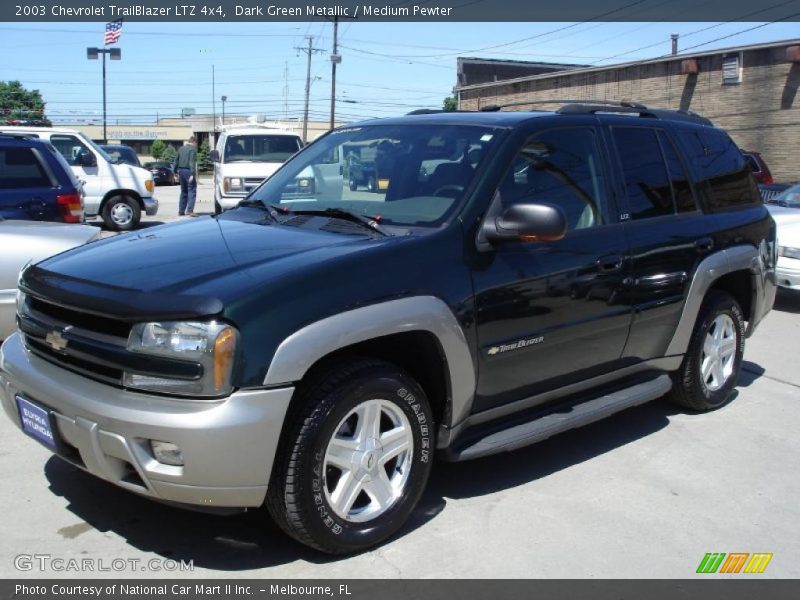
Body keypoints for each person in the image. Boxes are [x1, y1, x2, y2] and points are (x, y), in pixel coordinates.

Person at [173, 136, 198, 216]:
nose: (196, 145)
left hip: (180, 171)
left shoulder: (181, 149)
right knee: (192, 190)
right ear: (194, 142)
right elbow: (191, 162)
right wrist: (192, 174)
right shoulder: (192, 150)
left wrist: (174, 171)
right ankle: (190, 210)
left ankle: (181, 211)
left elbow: (176, 160)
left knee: (183, 191)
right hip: (188, 171)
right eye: (196, 144)